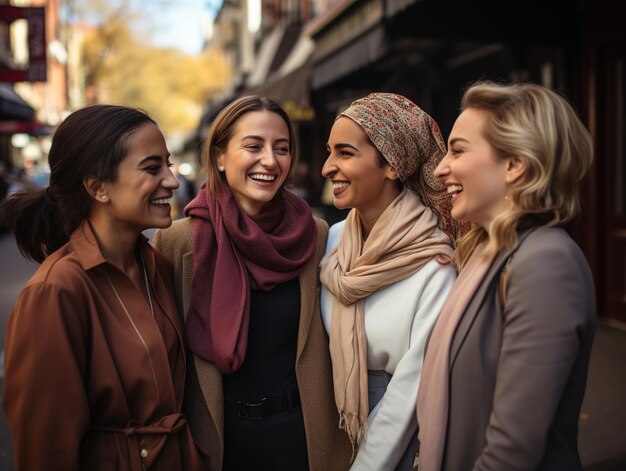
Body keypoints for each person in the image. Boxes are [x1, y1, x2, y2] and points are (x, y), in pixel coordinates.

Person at [152, 95, 352, 471]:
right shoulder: (177, 243)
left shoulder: (316, 236)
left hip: (301, 440)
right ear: (220, 157)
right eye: (253, 146)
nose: (270, 161)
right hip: (217, 444)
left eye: (282, 148)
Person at [2, 104, 203, 471]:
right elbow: (45, 452)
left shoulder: (155, 264)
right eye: (152, 167)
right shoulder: (55, 292)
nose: (172, 180)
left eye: (168, 164)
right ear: (98, 187)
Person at [417, 81, 596, 470]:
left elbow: (512, 452)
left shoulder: (546, 263)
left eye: (458, 150)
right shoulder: (487, 253)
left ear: (516, 165)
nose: (441, 167)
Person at [319, 92, 460, 470]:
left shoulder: (435, 264)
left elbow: (412, 387)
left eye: (345, 153)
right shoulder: (331, 243)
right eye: (329, 152)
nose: (327, 167)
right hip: (335, 434)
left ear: (392, 166)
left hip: (397, 445)